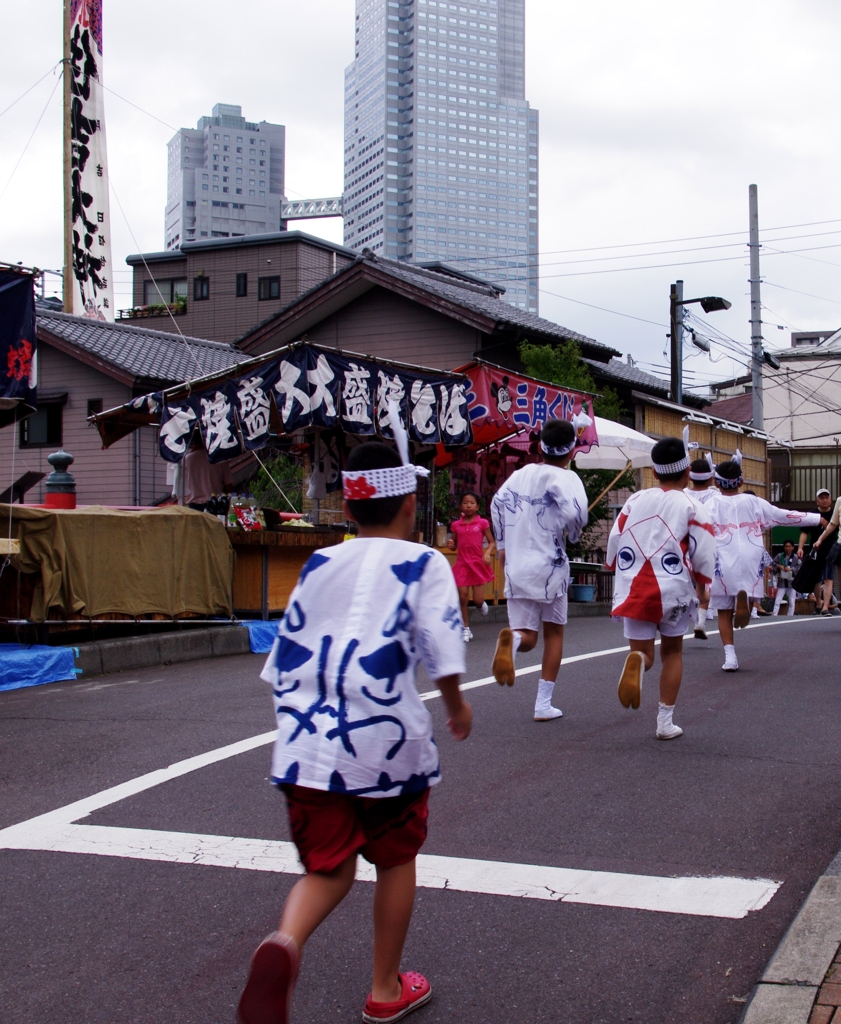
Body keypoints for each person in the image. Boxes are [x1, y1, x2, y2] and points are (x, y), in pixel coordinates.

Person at [238, 441, 472, 1024]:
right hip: (386, 746)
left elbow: (281, 663)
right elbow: (443, 653)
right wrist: (457, 707)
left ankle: (286, 941)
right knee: (394, 858)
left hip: (305, 748)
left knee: (329, 868)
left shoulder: (319, 563)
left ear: (349, 508)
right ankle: (386, 988)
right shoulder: (425, 562)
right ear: (410, 506)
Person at [608, 435, 716, 740]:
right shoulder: (692, 506)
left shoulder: (635, 499)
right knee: (672, 652)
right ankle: (665, 722)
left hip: (633, 587)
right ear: (687, 473)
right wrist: (704, 585)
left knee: (645, 652)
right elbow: (703, 551)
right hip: (673, 588)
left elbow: (615, 540)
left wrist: (613, 566)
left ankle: (638, 662)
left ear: (654, 472)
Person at [489, 417, 588, 721]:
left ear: (539, 446)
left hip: (517, 566)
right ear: (572, 450)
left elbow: (496, 503)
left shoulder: (520, 475)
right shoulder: (566, 477)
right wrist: (574, 532)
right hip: (551, 566)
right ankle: (542, 705)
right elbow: (577, 512)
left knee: (527, 635)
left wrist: (502, 545)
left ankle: (514, 641)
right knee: (554, 634)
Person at [706, 454, 820, 672]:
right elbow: (784, 515)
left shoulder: (710, 504)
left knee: (722, 611)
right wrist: (815, 518)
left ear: (715, 482)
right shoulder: (753, 501)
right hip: (751, 555)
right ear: (740, 482)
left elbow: (696, 530)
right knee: (749, 596)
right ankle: (746, 606)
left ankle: (730, 657)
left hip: (723, 557)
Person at [447, 490, 496, 642]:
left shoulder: (482, 523)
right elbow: (454, 546)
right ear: (461, 506)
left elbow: (492, 542)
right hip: (462, 564)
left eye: (472, 503)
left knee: (477, 600)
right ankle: (465, 628)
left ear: (477, 507)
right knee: (462, 597)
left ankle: (481, 605)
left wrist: (487, 553)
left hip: (477, 564)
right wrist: (451, 545)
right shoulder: (456, 525)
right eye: (465, 503)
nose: (468, 506)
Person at [684, 453, 719, 639]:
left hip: (684, 545)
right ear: (711, 477)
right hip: (707, 545)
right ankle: (701, 621)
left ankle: (682, 619)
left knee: (685, 583)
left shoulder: (682, 494)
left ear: (689, 475)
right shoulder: (716, 496)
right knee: (705, 584)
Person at [798, 488, 837, 615]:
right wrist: (800, 548)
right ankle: (819, 603)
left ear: (831, 500)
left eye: (827, 497)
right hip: (815, 550)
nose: (825, 500)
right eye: (822, 498)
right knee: (815, 578)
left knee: (828, 578)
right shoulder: (812, 515)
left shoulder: (835, 513)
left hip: (832, 549)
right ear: (817, 501)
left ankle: (825, 606)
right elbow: (804, 532)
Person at [771, 540, 801, 617]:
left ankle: (790, 615)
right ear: (784, 547)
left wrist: (791, 569)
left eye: (789, 546)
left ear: (793, 547)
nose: (788, 548)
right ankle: (774, 614)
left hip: (792, 582)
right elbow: (773, 563)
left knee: (791, 601)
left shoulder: (796, 557)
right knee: (778, 599)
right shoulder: (779, 556)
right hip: (782, 581)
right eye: (786, 546)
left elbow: (799, 566)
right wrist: (779, 566)